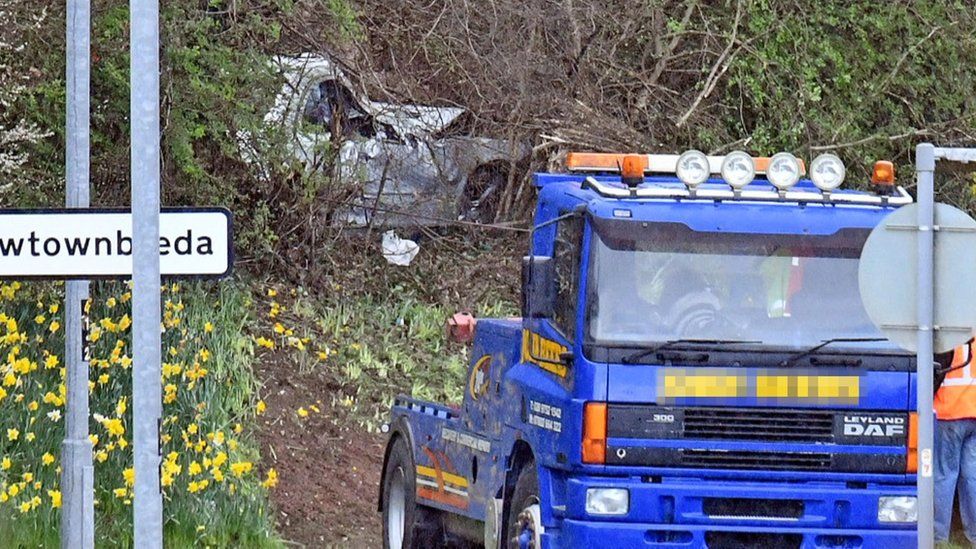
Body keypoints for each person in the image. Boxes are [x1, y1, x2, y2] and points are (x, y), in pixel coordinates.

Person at [934, 338, 976, 544]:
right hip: (974, 415)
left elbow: (935, 376)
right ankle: (974, 536)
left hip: (948, 414)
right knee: (972, 478)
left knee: (944, 475)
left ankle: (938, 536)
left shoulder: (948, 341)